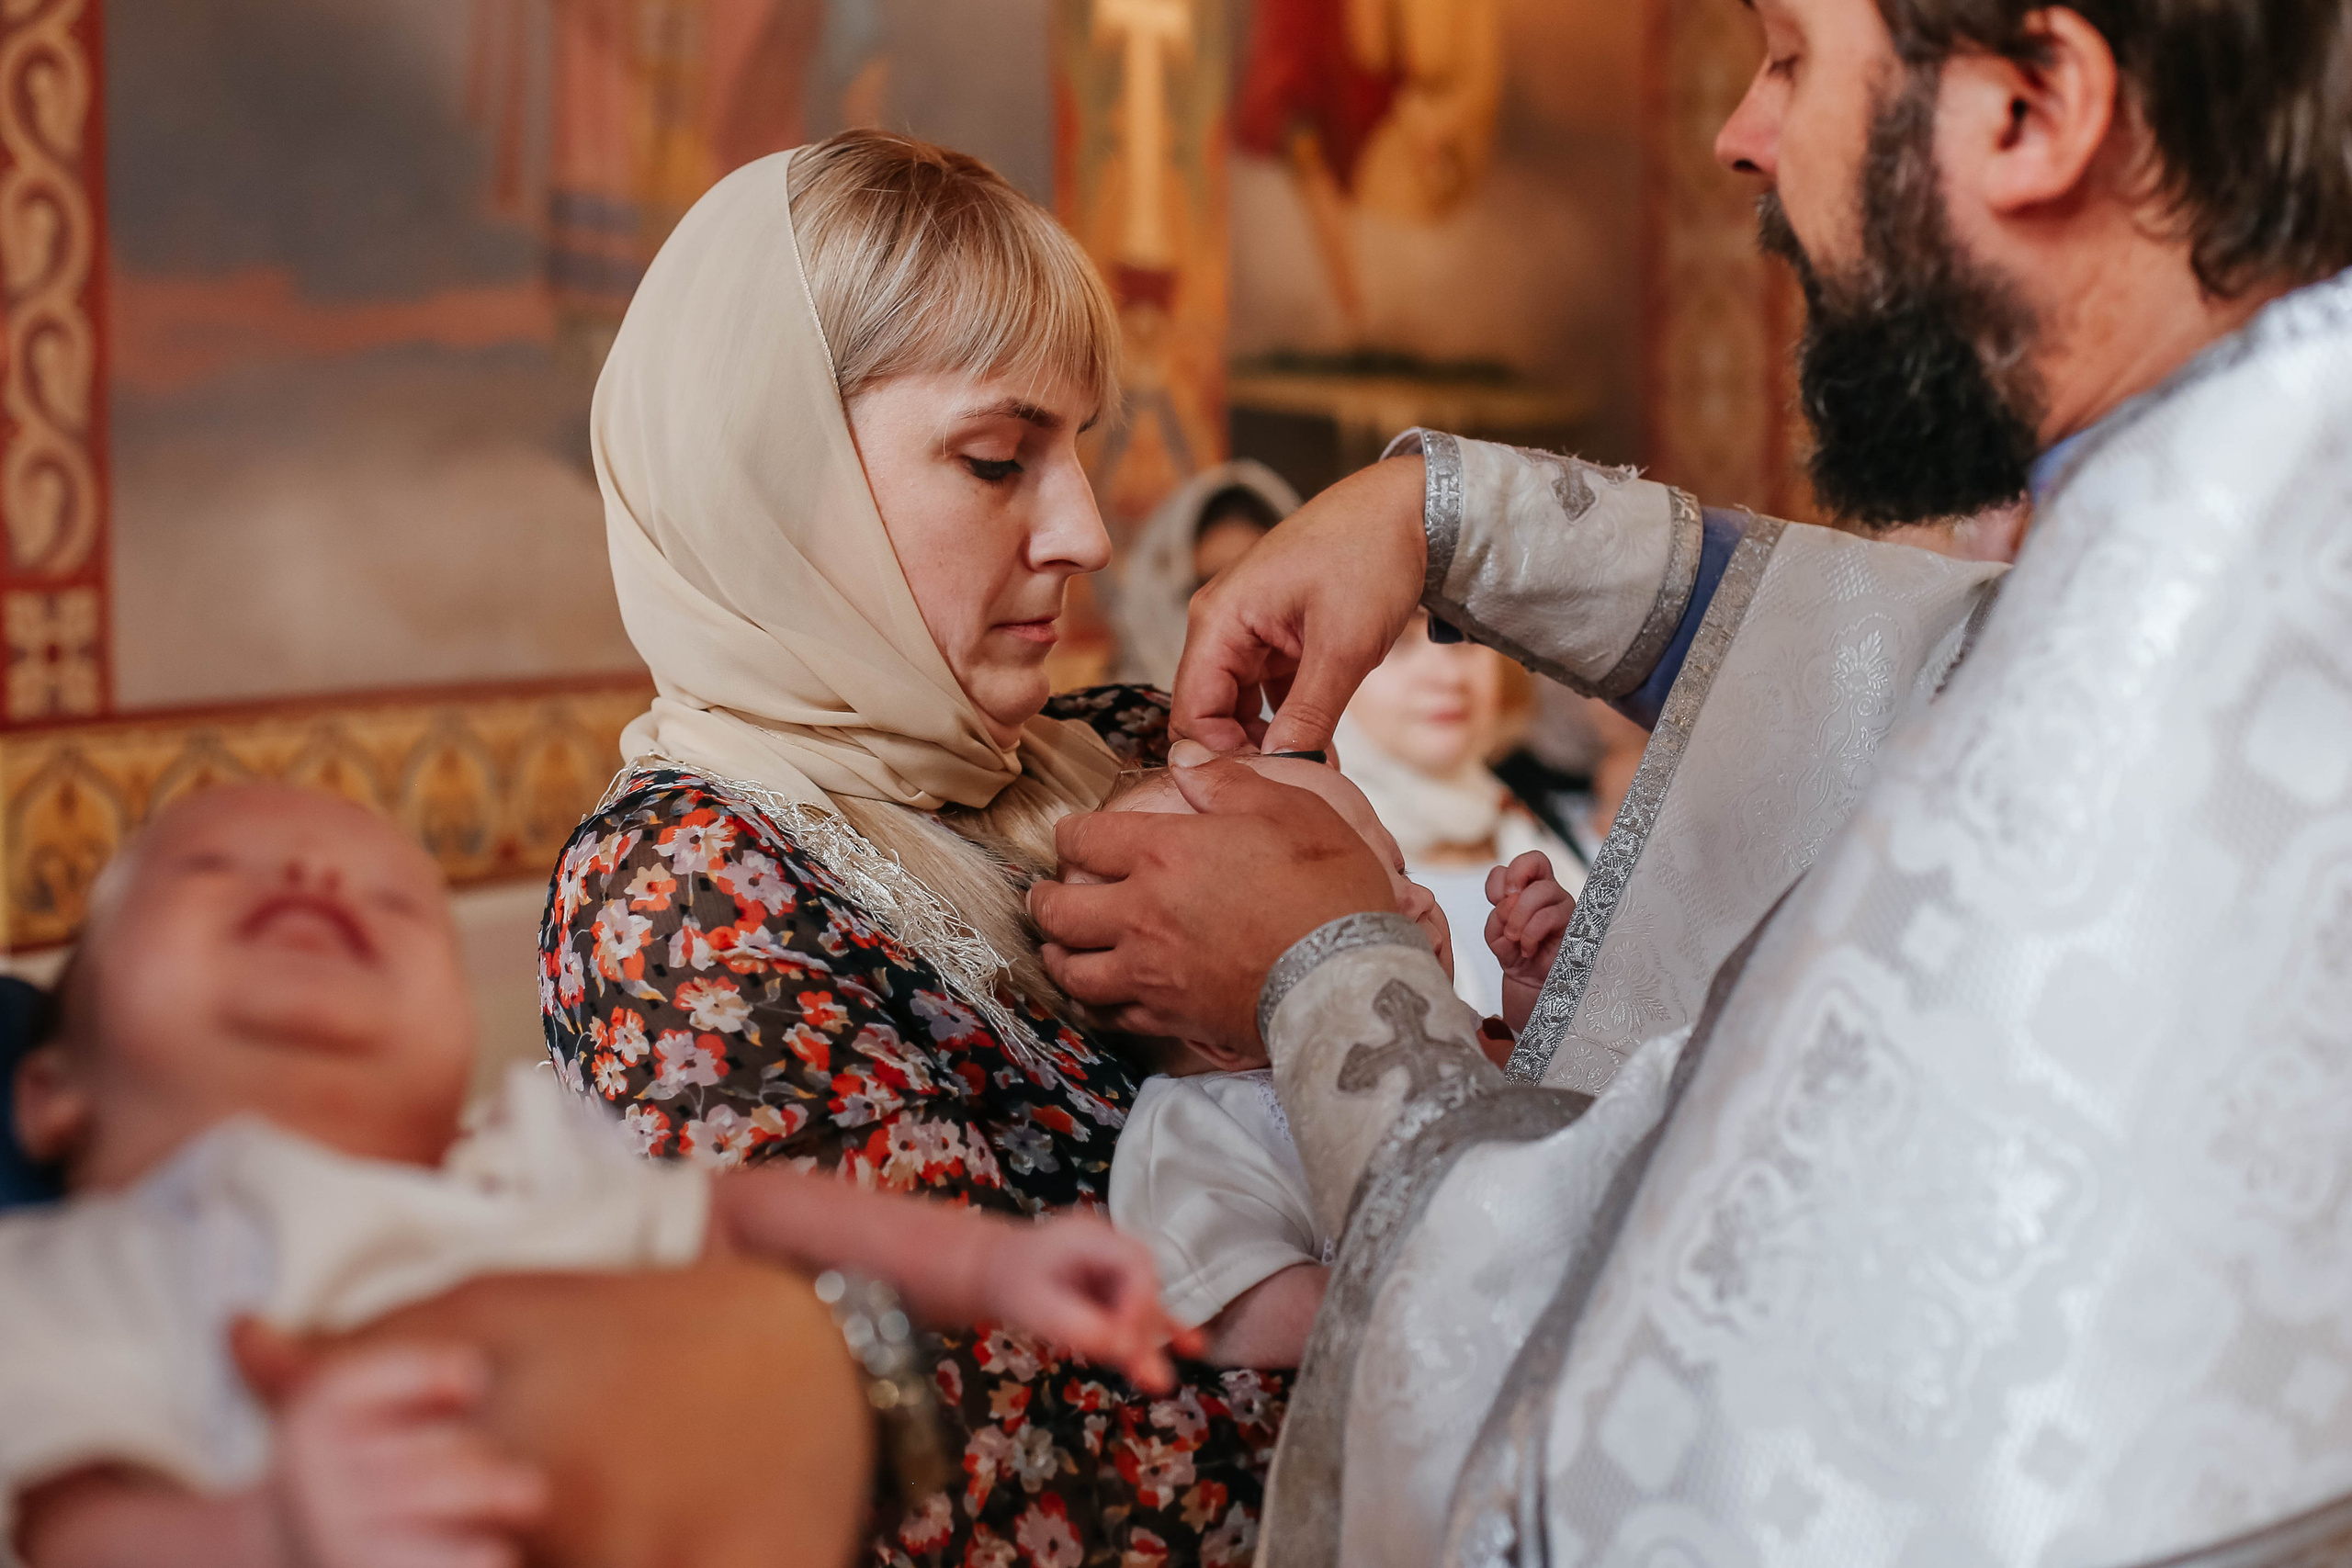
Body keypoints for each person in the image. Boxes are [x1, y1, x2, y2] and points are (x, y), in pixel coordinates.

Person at [1030, 0, 2352, 1562]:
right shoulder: (2257, 538)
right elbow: (1900, 657)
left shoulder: (2166, 691)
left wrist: (1320, 977)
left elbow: (1637, 1456)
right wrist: (1447, 518)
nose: (1740, 132)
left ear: (2033, 107)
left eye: (1792, 56)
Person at [541, 130, 1283, 1566]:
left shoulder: (1129, 742)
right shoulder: (683, 894)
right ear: (769, 476)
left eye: (1080, 452)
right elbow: (992, 1487)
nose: (1080, 528)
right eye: (997, 458)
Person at [0, 783, 1186, 1568]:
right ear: (48, 1087)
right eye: (213, 863)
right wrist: (267, 1530)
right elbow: (70, 1526)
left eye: (392, 898)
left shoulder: (519, 1173)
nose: (318, 868)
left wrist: (990, 1258)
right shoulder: (83, 1266)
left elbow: (738, 1204)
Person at [1102, 750, 1569, 1371]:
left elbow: (1541, 1116)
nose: (1415, 898)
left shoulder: (1432, 1019)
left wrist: (1536, 1004)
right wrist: (1427, 1306)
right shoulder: (1203, 1125)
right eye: (1343, 903)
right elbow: (1230, 1308)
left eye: (1396, 864)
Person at [1337, 607, 1581, 1016]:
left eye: (1463, 637)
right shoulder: (1322, 870)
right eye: (1398, 643)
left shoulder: (1541, 825)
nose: (1447, 676)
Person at [1106, 459, 1300, 690]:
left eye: (1259, 585)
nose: (1239, 613)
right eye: (1212, 585)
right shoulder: (1108, 717)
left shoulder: (1342, 708)